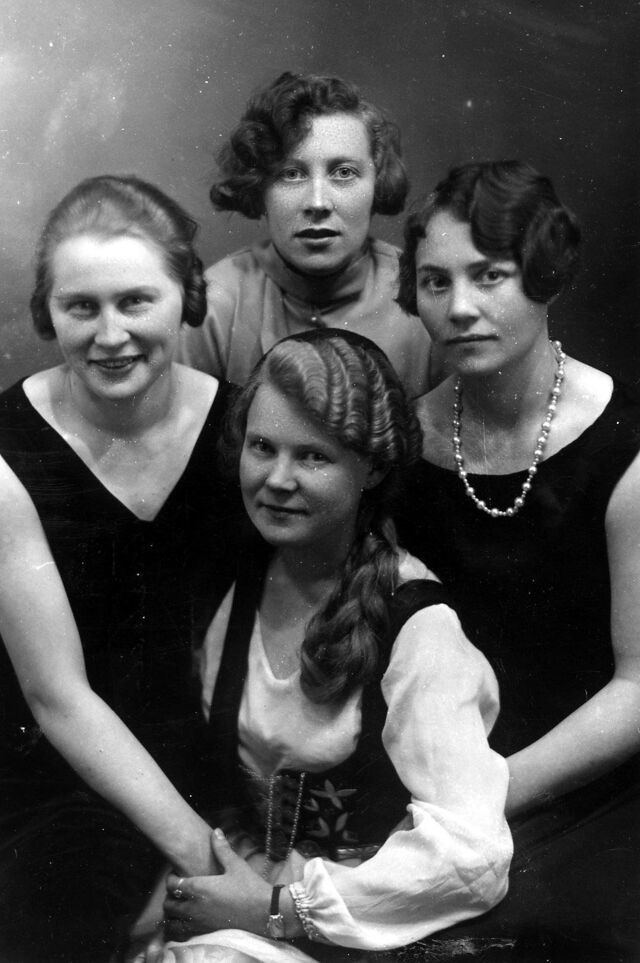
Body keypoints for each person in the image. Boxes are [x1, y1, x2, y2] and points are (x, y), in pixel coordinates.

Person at [151, 330, 511, 963]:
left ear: (372, 468)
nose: (277, 479)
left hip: (359, 931)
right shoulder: (229, 576)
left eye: (313, 457)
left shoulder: (417, 624)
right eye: (262, 447)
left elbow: (472, 857)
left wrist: (278, 910)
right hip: (225, 897)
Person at [394, 160, 640, 961]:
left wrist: (488, 793)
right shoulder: (403, 445)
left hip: (602, 793)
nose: (460, 307)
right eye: (435, 282)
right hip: (438, 788)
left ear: (545, 274)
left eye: (489, 275)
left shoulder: (624, 446)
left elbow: (639, 687)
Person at [0, 175, 242, 962]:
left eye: (136, 301)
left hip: (223, 766)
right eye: (81, 307)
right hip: (60, 776)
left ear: (187, 298)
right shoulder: (7, 454)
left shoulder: (248, 428)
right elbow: (57, 696)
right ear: (48, 313)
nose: (111, 334)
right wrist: (207, 862)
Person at [178, 71, 433, 398]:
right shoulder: (216, 305)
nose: (317, 203)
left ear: (377, 182)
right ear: (260, 187)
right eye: (291, 174)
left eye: (344, 172)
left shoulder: (423, 294)